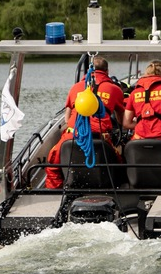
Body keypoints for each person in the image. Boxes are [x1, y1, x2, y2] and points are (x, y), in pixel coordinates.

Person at [45, 56, 127, 189]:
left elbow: (67, 119)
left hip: (72, 136)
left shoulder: (75, 87)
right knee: (120, 163)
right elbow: (121, 120)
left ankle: (55, 194)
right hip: (101, 138)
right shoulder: (115, 89)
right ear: (107, 71)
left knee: (52, 164)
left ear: (88, 70)